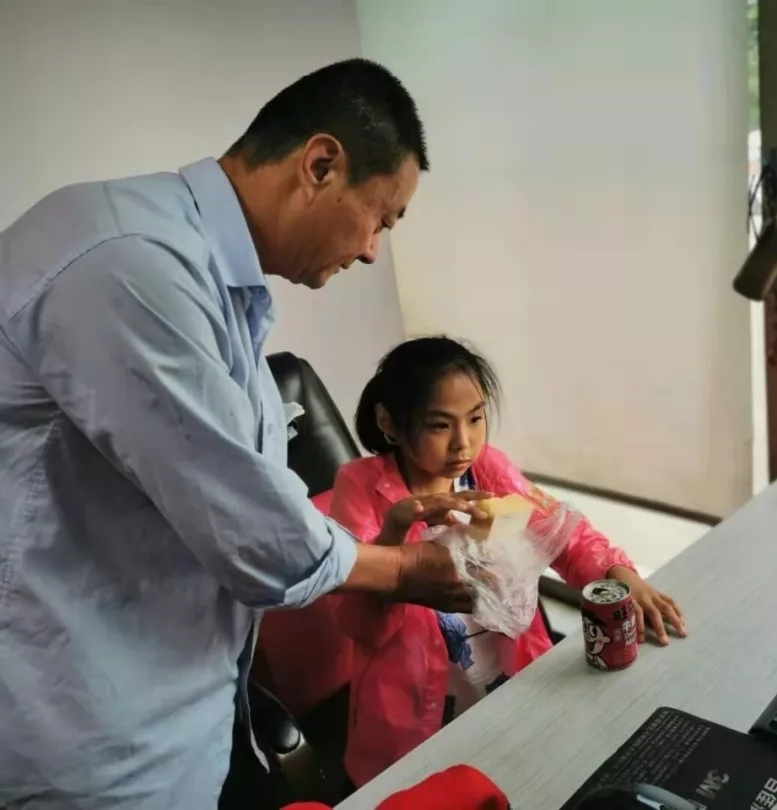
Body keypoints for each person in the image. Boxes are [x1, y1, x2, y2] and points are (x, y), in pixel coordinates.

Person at [0, 59, 484, 810]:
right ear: (320, 165)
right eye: (381, 219)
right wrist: (400, 569)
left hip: (190, 706)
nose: (371, 250)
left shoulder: (215, 285)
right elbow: (254, 529)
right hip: (92, 743)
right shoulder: (125, 262)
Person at [329, 336, 688, 788]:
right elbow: (360, 625)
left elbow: (564, 535)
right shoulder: (359, 486)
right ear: (389, 423)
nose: (464, 443)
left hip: (508, 681)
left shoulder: (485, 469)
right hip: (412, 711)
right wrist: (396, 531)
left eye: (476, 418)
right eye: (440, 425)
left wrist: (620, 575)